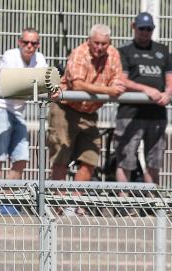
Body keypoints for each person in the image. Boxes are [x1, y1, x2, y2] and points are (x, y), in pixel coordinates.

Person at [48, 24, 123, 185]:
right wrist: (108, 90)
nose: (100, 47)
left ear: (109, 43)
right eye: (96, 43)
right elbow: (78, 85)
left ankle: (74, 205)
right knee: (62, 155)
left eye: (104, 44)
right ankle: (58, 204)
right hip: (65, 109)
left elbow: (117, 82)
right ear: (88, 41)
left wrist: (113, 88)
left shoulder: (114, 54)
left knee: (91, 158)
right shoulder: (79, 53)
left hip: (89, 112)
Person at [114, 13, 172, 186]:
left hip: (156, 115)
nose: (145, 32)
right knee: (125, 161)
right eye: (142, 28)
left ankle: (151, 205)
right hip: (129, 114)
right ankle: (123, 206)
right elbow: (122, 80)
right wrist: (146, 90)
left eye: (149, 29)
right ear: (134, 27)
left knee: (153, 163)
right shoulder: (125, 51)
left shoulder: (162, 51)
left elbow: (171, 81)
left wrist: (168, 94)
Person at [0, 28, 47, 181]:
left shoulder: (40, 59)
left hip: (18, 111)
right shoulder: (9, 55)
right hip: (0, 107)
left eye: (34, 43)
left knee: (22, 158)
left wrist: (36, 85)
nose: (29, 46)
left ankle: (9, 201)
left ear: (38, 45)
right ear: (19, 42)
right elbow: (9, 84)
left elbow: (44, 84)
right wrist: (35, 84)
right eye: (25, 42)